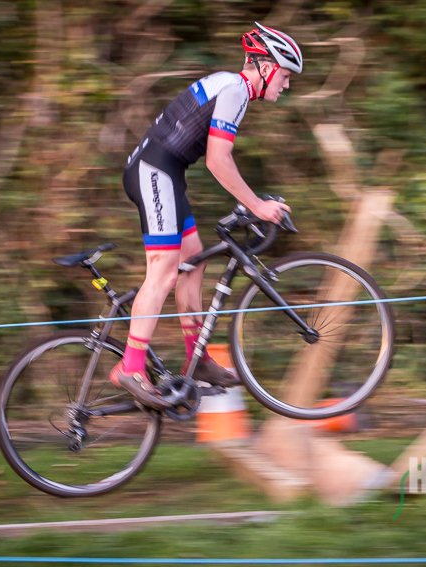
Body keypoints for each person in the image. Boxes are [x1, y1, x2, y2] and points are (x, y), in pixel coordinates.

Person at [110, 22, 303, 409]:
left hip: (163, 172)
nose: (286, 85)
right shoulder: (234, 90)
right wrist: (257, 206)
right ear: (265, 67)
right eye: (284, 75)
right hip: (154, 172)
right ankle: (130, 367)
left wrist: (251, 201)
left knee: (193, 261)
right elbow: (218, 160)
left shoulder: (229, 85)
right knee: (164, 270)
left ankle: (195, 359)